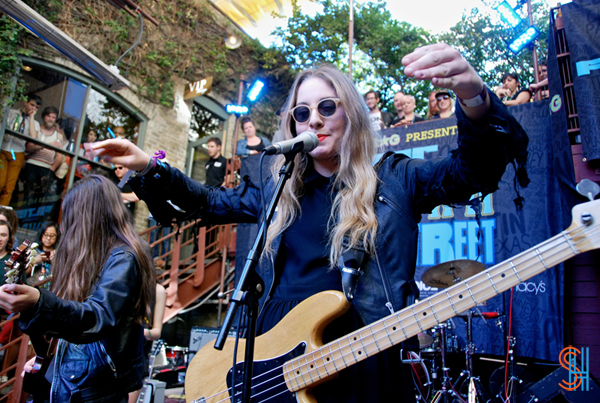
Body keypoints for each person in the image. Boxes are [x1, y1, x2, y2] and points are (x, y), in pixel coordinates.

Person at [90, 43, 529, 403]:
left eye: (325, 106)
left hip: (360, 354)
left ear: (351, 115)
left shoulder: (395, 179)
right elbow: (207, 202)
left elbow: (471, 173)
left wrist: (473, 96)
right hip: (274, 355)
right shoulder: (277, 189)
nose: (313, 119)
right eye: (302, 112)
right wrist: (151, 166)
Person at [0, 174, 155, 402]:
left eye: (71, 213)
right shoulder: (87, 256)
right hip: (70, 380)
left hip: (92, 389)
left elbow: (97, 318)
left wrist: (40, 302)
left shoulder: (123, 257)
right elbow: (72, 323)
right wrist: (54, 357)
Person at [0, 95, 42, 205]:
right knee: (0, 181)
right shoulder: (11, 113)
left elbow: (33, 138)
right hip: (4, 148)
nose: (33, 108)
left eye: (36, 107)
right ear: (25, 102)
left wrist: (32, 118)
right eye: (32, 105)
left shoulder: (35, 123)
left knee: (9, 186)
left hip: (16, 153)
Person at [20, 106, 64, 198]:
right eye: (49, 116)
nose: (51, 119)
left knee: (41, 198)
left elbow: (60, 157)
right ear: (44, 117)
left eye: (53, 117)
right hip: (32, 165)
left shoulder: (58, 135)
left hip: (47, 169)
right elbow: (28, 148)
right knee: (28, 194)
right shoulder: (36, 129)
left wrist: (51, 170)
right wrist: (47, 145)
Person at [26, 221, 60, 287]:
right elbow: (22, 274)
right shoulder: (32, 250)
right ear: (41, 234)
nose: (48, 238)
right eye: (45, 234)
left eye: (52, 236)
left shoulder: (59, 253)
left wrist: (54, 262)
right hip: (32, 287)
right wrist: (34, 261)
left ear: (57, 237)